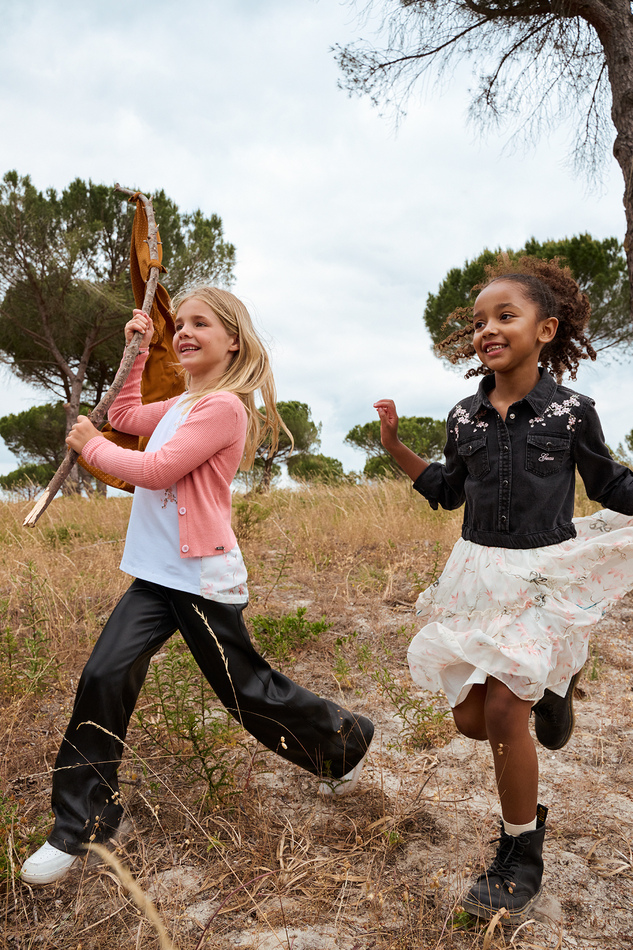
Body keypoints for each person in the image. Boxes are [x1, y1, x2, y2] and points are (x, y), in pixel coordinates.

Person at [21, 287, 373, 886]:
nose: (183, 332)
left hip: (201, 578)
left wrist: (90, 446)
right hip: (156, 577)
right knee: (103, 676)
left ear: (232, 340)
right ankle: (82, 823)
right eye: (178, 324)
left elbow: (155, 470)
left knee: (245, 693)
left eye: (199, 323)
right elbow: (126, 416)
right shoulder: (182, 403)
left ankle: (344, 744)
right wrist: (137, 351)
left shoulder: (224, 408)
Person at [374, 257, 633, 921]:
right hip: (477, 575)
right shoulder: (464, 417)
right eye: (478, 322)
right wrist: (395, 446)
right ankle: (553, 686)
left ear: (545, 330)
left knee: (501, 714)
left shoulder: (572, 412)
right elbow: (446, 491)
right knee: (470, 718)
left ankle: (519, 852)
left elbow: (607, 483)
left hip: (544, 576)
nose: (486, 329)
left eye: (504, 316)